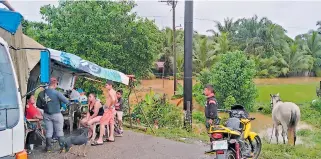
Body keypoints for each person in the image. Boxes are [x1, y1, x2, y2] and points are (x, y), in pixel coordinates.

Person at [36, 77, 70, 152]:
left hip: (46, 115)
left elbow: (38, 105)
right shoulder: (57, 93)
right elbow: (67, 101)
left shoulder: (41, 93)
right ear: (54, 84)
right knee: (59, 131)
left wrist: (45, 107)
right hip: (57, 114)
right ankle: (63, 148)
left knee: (49, 131)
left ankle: (48, 148)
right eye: (57, 84)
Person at [92, 80, 117, 145]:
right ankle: (111, 137)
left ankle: (100, 140)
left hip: (109, 109)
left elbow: (114, 100)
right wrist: (113, 106)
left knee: (102, 122)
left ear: (110, 85)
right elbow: (116, 100)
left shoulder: (110, 91)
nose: (105, 86)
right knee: (111, 123)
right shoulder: (114, 91)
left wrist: (110, 106)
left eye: (106, 85)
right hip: (112, 109)